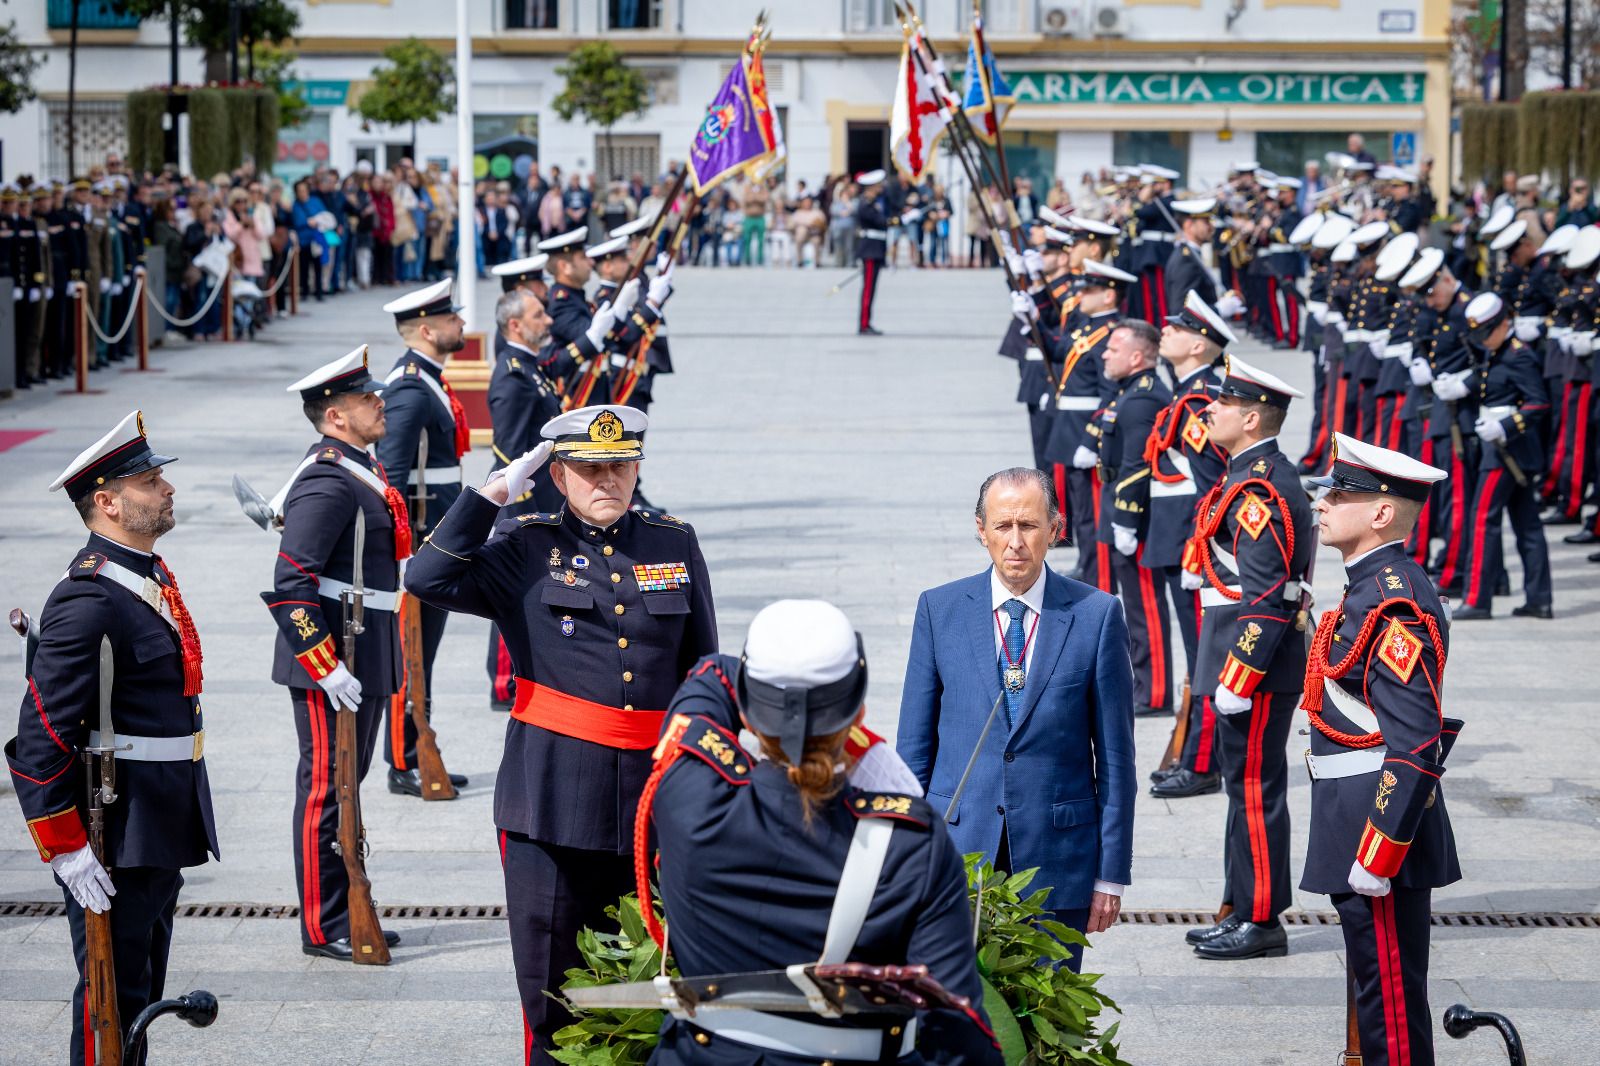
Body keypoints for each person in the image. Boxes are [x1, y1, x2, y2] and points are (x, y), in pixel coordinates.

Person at [403, 404, 717, 1064]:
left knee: (654, 974)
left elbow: (703, 669)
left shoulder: (673, 543)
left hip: (654, 803)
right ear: (558, 475)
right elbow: (427, 578)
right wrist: (489, 495)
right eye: (588, 469)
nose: (606, 480)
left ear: (636, 471)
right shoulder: (525, 547)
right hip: (552, 798)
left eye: (620, 467)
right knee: (551, 988)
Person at [640, 600, 1001, 1064]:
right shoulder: (908, 843)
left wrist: (780, 681)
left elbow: (710, 674)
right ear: (858, 711)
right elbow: (955, 1024)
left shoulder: (686, 795)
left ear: (748, 717)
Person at [5, 410, 218, 1066]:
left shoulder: (143, 576)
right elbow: (40, 740)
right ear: (107, 501)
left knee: (136, 997)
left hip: (155, 824)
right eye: (151, 481)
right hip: (115, 836)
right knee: (110, 999)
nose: (167, 490)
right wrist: (66, 850)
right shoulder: (89, 599)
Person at [897, 467, 1135, 973]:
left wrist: (1109, 876)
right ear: (980, 530)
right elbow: (913, 750)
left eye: (1028, 525)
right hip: (959, 854)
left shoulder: (1096, 614)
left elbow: (1115, 758)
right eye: (1002, 526)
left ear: (1056, 528)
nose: (1015, 543)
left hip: (1058, 859)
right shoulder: (939, 610)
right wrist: (906, 856)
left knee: (1050, 1019)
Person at [1302, 433, 1460, 1066]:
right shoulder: (1369, 587)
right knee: (1374, 993)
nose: (1323, 503)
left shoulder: (1391, 602)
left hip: (1378, 823)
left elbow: (1417, 742)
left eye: (1340, 494)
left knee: (1389, 1003)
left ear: (1381, 513)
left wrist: (1380, 848)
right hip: (1355, 808)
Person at [263, 348, 407, 959]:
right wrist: (326, 668)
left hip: (363, 647)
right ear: (336, 415)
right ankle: (324, 923)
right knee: (327, 787)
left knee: (350, 782)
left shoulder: (354, 467)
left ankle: (343, 907)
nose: (380, 402)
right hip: (335, 657)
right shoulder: (329, 478)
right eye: (366, 398)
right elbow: (291, 579)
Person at [1184, 356, 1314, 960]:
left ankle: (1263, 920)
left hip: (1254, 663)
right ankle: (1241, 904)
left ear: (1253, 417)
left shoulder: (1260, 487)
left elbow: (1269, 595)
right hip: (1241, 655)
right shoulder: (1247, 473)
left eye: (1224, 404)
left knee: (1257, 789)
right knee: (1242, 786)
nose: (1210, 410)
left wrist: (1242, 673)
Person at [373, 279, 474, 798]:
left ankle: (418, 747)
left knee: (423, 656)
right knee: (410, 655)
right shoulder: (411, 386)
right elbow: (390, 475)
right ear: (428, 330)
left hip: (437, 538)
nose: (462, 324)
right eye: (453, 318)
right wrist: (404, 552)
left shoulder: (427, 377)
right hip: (421, 544)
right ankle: (405, 761)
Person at [1146, 294, 1233, 799]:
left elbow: (1211, 487)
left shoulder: (1199, 399)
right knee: (1197, 655)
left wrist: (1201, 554)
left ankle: (1202, 763)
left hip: (1194, 548)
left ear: (1199, 343)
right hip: (1179, 540)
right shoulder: (1189, 393)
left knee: (1203, 657)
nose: (1165, 332)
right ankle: (1196, 753)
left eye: (1175, 329)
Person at [1452, 291, 1553, 620]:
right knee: (1527, 525)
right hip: (1501, 447)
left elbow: (1538, 402)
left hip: (1507, 450)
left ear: (1503, 323)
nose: (1482, 341)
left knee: (1483, 519)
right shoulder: (1496, 352)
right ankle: (1539, 599)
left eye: (1486, 333)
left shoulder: (1518, 355)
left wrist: (1506, 425)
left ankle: (1478, 598)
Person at [484, 288, 563, 711]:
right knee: (514, 587)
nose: (548, 320)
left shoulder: (528, 367)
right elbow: (509, 453)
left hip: (543, 498)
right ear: (515, 325)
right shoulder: (513, 376)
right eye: (538, 314)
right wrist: (521, 509)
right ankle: (503, 681)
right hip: (525, 503)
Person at [1098, 319, 1174, 717]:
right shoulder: (1129, 390)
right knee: (1133, 604)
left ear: (1138, 356)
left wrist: (1126, 517)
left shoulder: (1144, 397)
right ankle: (1144, 683)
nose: (1106, 353)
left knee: (1144, 604)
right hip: (1117, 504)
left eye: (1114, 348)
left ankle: (1156, 690)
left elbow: (1137, 463)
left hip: (1137, 516)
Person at [854, 170, 922, 335]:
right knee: (868, 289)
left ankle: (867, 322)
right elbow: (881, 222)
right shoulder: (866, 204)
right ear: (872, 187)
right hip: (870, 249)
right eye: (879, 185)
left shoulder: (872, 202)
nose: (881, 187)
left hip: (875, 249)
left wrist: (902, 216)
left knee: (871, 289)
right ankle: (863, 324)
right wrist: (903, 219)